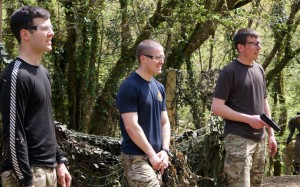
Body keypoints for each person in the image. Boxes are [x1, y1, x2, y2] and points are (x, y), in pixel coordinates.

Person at [0, 6, 71, 187]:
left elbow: (45, 122)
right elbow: (13, 132)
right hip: (28, 173)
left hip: (50, 170)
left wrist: (60, 160)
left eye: (51, 28)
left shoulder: (43, 73)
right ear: (25, 34)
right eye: (45, 28)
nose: (52, 33)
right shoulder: (16, 75)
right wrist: (25, 179)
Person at [211, 28, 277, 187]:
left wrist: (271, 134)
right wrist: (249, 119)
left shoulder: (259, 69)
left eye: (259, 43)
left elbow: (264, 102)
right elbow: (217, 107)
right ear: (241, 47)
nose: (259, 47)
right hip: (238, 139)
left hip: (259, 139)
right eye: (254, 44)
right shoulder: (229, 72)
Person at [116, 39, 171, 186]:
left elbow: (164, 122)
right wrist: (151, 154)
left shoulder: (159, 88)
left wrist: (165, 151)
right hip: (136, 159)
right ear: (143, 58)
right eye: (158, 57)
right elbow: (131, 126)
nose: (162, 62)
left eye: (163, 57)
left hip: (157, 159)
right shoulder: (129, 87)